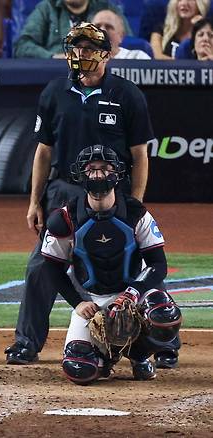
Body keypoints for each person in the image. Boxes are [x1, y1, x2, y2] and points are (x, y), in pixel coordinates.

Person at [5, 22, 180, 370]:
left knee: (138, 261)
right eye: (76, 48)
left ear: (105, 54)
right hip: (64, 190)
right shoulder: (54, 92)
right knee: (42, 263)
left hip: (113, 191)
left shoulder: (127, 94)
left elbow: (140, 154)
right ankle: (26, 343)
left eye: (88, 49)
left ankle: (163, 342)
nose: (80, 55)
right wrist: (34, 200)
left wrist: (136, 202)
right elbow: (43, 152)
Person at [41, 145, 182, 384]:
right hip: (91, 298)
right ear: (80, 174)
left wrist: (132, 293)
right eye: (91, 169)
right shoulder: (65, 218)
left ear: (116, 173)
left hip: (132, 293)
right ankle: (106, 356)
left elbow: (158, 264)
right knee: (80, 369)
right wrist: (78, 303)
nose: (97, 175)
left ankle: (139, 356)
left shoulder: (136, 213)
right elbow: (50, 267)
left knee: (163, 313)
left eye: (104, 169)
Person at [14, 0, 129, 59]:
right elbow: (22, 46)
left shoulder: (106, 8)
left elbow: (127, 42)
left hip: (99, 70)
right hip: (58, 73)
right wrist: (52, 57)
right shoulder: (47, 8)